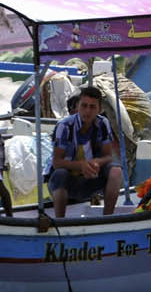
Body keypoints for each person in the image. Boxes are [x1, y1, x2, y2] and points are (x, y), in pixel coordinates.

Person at [47, 85, 125, 218]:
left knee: (116, 171)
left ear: (99, 110)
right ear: (78, 107)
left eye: (92, 107)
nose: (87, 111)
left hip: (92, 178)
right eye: (84, 105)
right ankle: (60, 222)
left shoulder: (103, 124)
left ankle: (107, 219)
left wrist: (96, 163)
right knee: (60, 174)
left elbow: (108, 157)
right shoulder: (64, 126)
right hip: (67, 181)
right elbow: (57, 162)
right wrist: (82, 165)